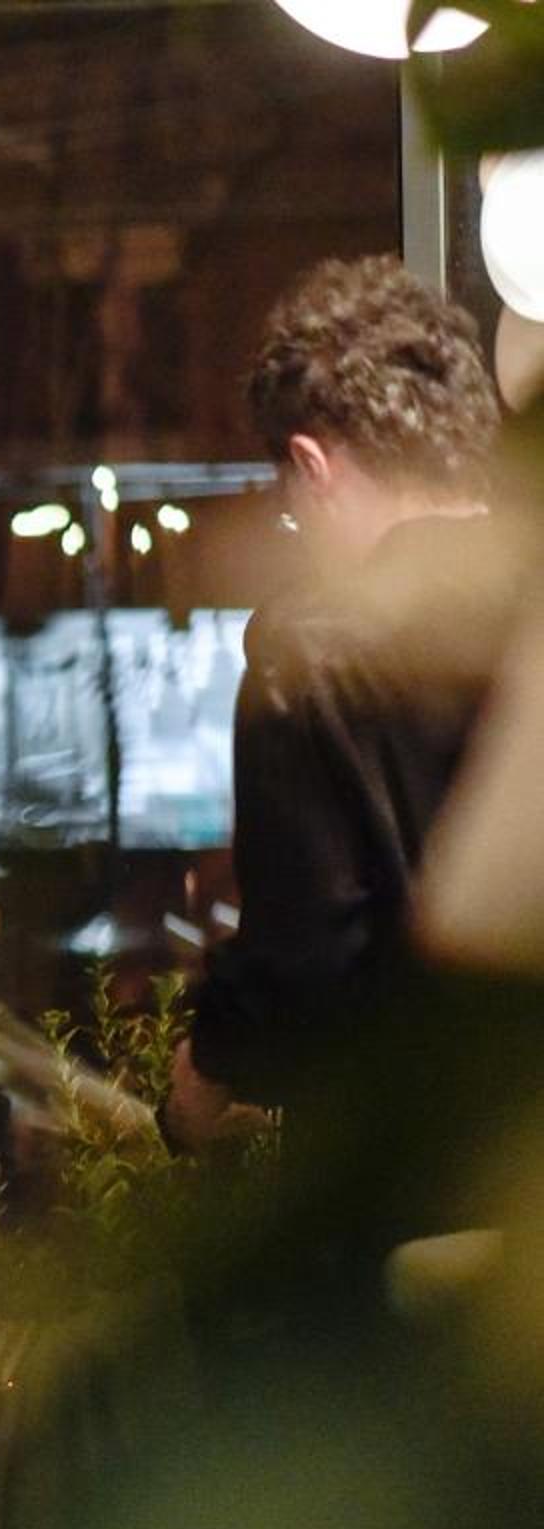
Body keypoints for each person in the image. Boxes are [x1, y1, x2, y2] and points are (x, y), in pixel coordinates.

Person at [166, 254, 517, 1153]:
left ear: (312, 466)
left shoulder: (313, 652)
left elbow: (309, 954)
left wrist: (208, 1070)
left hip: (426, 1177)